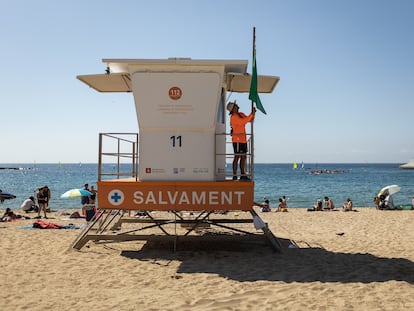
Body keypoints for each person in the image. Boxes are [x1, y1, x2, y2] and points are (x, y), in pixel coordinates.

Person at [227, 101, 256, 181]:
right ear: (233, 109)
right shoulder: (233, 117)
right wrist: (252, 113)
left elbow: (250, 120)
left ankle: (243, 174)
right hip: (237, 140)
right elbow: (244, 121)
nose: (237, 105)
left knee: (243, 156)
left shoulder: (240, 114)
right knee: (237, 156)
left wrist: (253, 114)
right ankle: (235, 175)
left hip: (243, 139)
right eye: (235, 105)